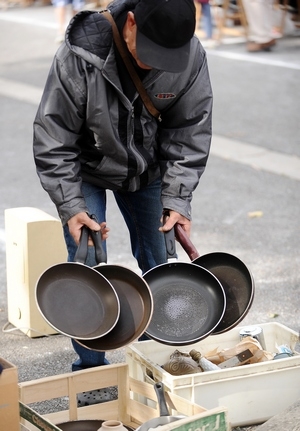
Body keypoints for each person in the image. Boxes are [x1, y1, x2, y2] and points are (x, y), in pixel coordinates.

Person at [33, 0, 213, 374]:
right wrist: (70, 205)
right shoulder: (79, 55)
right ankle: (91, 368)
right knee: (90, 263)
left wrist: (177, 197)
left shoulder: (190, 54)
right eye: (150, 53)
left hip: (147, 171)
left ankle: (155, 363)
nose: (156, 63)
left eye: (168, 56)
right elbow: (54, 138)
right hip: (86, 168)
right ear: (130, 23)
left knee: (159, 261)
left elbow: (189, 130)